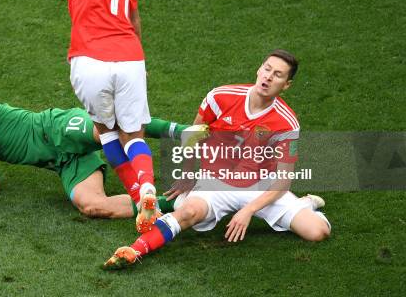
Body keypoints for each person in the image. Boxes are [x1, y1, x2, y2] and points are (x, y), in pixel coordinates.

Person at [104, 50, 331, 268]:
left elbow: (282, 181)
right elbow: (193, 134)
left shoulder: (287, 123)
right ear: (258, 69)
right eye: (267, 69)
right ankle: (134, 251)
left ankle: (304, 203)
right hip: (216, 180)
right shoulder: (220, 97)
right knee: (187, 212)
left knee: (318, 231)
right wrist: (188, 174)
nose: (268, 77)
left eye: (278, 75)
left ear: (286, 85)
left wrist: (249, 210)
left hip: (260, 185)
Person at [51, 0, 158, 232]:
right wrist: (140, 61)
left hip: (90, 58)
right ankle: (148, 189)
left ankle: (139, 197)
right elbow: (134, 17)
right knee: (135, 133)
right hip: (130, 58)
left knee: (106, 130)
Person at [0, 94, 189, 219]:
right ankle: (179, 203)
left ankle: (186, 132)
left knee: (113, 127)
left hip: (55, 128)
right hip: (65, 162)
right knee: (92, 206)